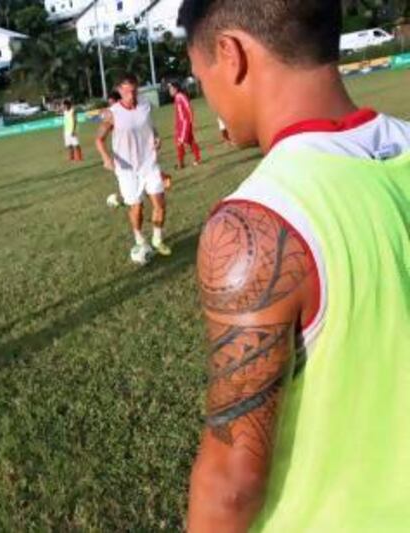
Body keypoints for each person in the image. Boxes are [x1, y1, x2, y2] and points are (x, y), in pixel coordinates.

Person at [180, 0, 410, 531]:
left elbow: (232, 483)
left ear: (230, 54)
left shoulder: (257, 225)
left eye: (200, 77)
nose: (205, 96)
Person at [96, 73, 172, 264]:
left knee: (160, 204)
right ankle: (139, 239)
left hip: (149, 163)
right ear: (120, 91)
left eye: (135, 90)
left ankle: (157, 239)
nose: (132, 95)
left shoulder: (145, 104)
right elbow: (99, 139)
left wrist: (157, 137)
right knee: (137, 208)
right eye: (128, 91)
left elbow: (151, 127)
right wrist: (106, 158)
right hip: (127, 169)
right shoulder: (113, 113)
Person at [168, 80, 202, 168]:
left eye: (171, 88)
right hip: (181, 124)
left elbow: (188, 107)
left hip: (185, 123)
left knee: (179, 142)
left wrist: (191, 121)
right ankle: (197, 158)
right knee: (190, 141)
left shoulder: (180, 96)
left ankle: (181, 163)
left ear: (176, 89)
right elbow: (179, 112)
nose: (170, 91)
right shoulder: (177, 97)